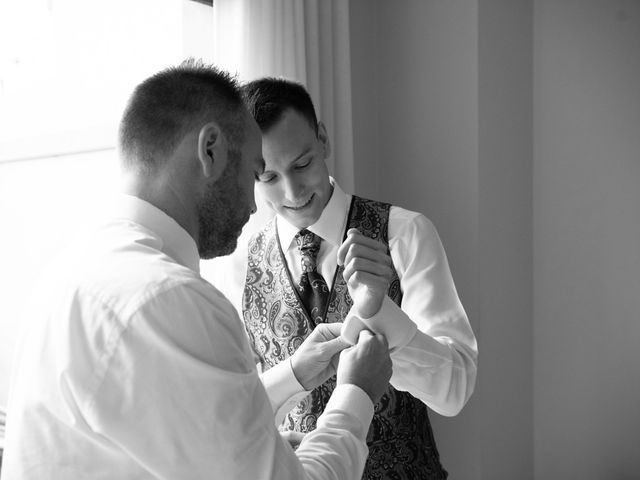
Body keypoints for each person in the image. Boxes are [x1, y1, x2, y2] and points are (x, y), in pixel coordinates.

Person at [0, 60, 393, 479]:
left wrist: (288, 387)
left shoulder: (72, 268)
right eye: (256, 173)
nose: (254, 202)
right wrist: (356, 394)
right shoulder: (170, 297)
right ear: (210, 151)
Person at [240, 78, 479, 479]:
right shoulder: (241, 260)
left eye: (303, 164)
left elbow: (453, 391)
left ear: (323, 140)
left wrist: (380, 313)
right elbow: (241, 409)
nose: (293, 190)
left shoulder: (405, 233)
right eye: (269, 178)